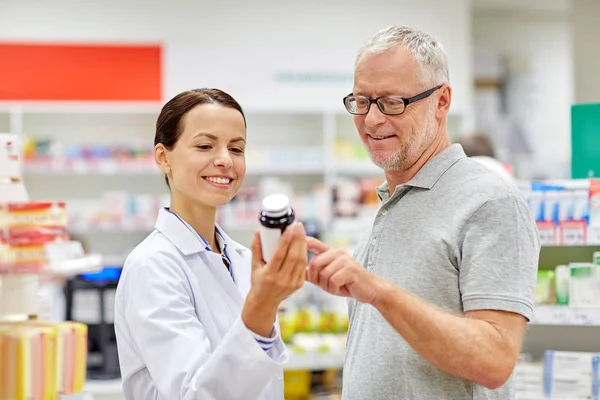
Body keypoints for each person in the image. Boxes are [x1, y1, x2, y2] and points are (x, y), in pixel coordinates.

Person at [306, 26, 539, 400]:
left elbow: (494, 360)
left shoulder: (488, 201)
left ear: (442, 101)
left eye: (393, 102)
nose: (371, 120)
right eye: (362, 101)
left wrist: (379, 292)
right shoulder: (391, 202)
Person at [113, 88, 309, 400]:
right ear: (163, 157)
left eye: (236, 149)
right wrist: (264, 305)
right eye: (205, 146)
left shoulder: (243, 259)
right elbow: (195, 395)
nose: (224, 160)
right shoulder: (153, 266)